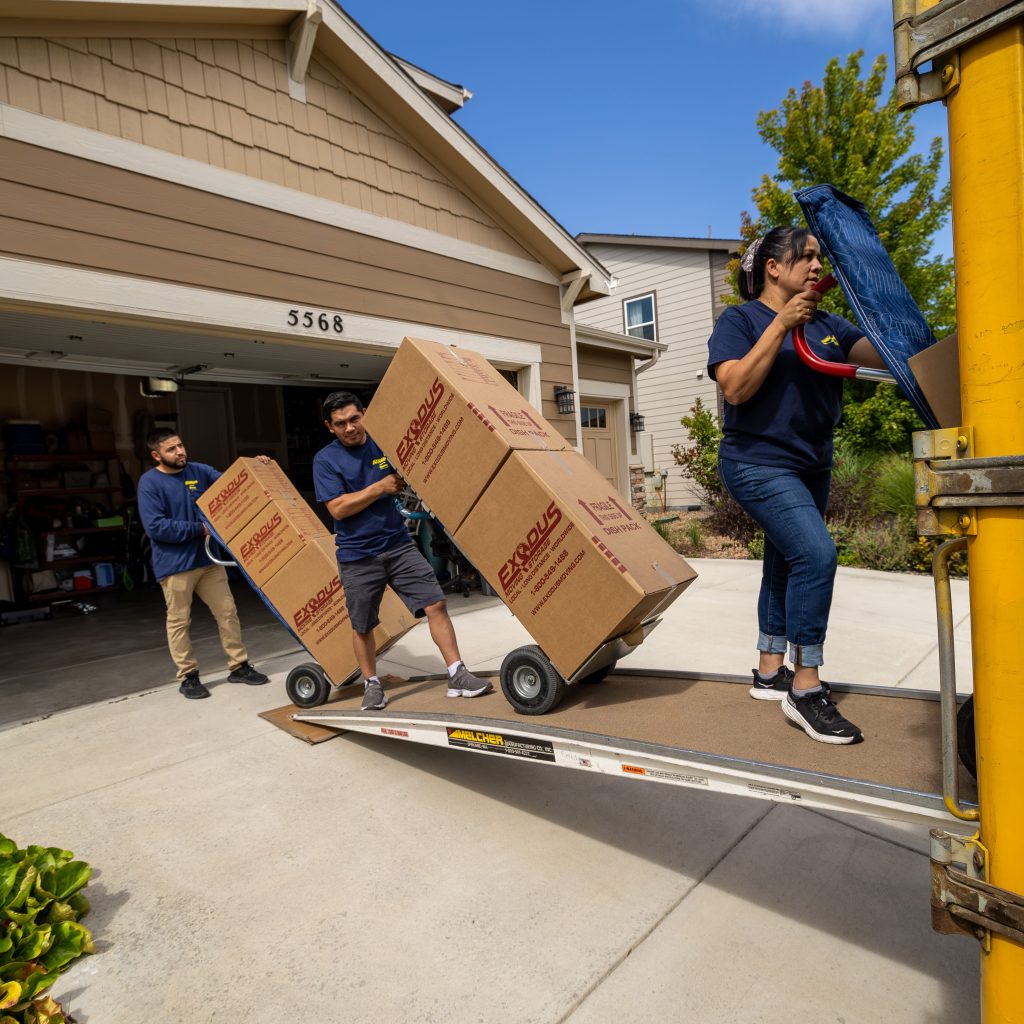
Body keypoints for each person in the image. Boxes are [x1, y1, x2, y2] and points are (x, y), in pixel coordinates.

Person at [706, 226, 887, 744]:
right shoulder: (740, 320)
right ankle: (805, 688)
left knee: (786, 559)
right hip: (757, 462)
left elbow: (877, 354)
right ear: (773, 267)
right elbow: (736, 388)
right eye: (805, 256)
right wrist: (781, 325)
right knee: (816, 555)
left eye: (819, 258)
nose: (815, 266)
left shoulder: (828, 322)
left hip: (813, 464)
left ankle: (769, 671)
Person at [312, 391, 493, 711]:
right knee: (362, 625)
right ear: (330, 427)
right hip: (357, 555)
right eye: (341, 424)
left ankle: (457, 674)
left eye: (355, 419)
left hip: (398, 544)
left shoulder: (384, 444)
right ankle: (372, 684)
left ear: (364, 414)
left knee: (436, 603)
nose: (350, 428)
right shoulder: (325, 460)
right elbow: (338, 509)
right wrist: (379, 488)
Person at [137, 429, 269, 699]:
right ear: (156, 455)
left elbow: (233, 483)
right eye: (171, 449)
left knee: (227, 612)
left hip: (208, 561)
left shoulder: (198, 471)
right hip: (175, 566)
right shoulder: (149, 483)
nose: (180, 452)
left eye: (180, 445)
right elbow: (156, 527)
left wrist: (257, 467)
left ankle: (239, 666)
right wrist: (201, 529)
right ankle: (188, 676)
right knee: (179, 621)